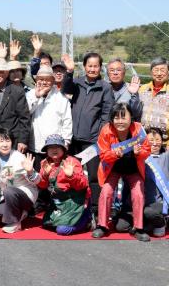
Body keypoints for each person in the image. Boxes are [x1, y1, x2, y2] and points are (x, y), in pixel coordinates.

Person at [61, 52, 114, 220]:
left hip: (92, 141)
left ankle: (97, 211)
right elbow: (65, 89)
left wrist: (99, 137)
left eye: (96, 66)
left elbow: (106, 115)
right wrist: (69, 72)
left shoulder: (105, 87)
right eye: (89, 66)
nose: (92, 69)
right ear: (84, 66)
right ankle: (71, 206)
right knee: (71, 174)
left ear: (100, 68)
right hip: (73, 139)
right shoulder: (77, 83)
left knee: (94, 177)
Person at [92, 103, 151, 242]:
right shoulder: (106, 130)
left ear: (131, 118)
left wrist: (139, 153)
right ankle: (102, 225)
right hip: (113, 167)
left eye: (123, 117)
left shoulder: (138, 129)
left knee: (138, 193)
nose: (120, 121)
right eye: (116, 117)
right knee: (106, 192)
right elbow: (103, 155)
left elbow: (147, 150)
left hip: (133, 167)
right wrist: (114, 154)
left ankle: (138, 228)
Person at [138, 56, 169, 232]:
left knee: (166, 179)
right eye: (155, 70)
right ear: (151, 72)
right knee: (145, 178)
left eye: (162, 70)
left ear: (168, 72)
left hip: (163, 142)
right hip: (145, 142)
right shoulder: (143, 89)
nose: (158, 73)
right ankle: (146, 213)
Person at [113, 128, 169, 237]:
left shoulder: (166, 157)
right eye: (151, 140)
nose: (155, 143)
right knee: (121, 226)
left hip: (156, 204)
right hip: (138, 203)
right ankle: (146, 225)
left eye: (158, 140)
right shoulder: (138, 157)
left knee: (149, 213)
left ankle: (160, 223)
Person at [26, 65, 73, 211]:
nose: (44, 82)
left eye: (47, 79)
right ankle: (37, 203)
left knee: (54, 176)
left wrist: (66, 142)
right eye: (41, 79)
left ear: (53, 81)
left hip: (54, 146)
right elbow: (24, 113)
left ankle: (54, 204)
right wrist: (37, 96)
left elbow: (67, 122)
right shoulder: (30, 95)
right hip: (34, 143)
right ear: (36, 80)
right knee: (36, 176)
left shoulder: (61, 99)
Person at [36, 134, 92, 236]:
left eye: (57, 146)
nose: (54, 150)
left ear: (63, 149)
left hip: (75, 201)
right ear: (46, 150)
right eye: (50, 147)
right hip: (59, 202)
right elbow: (43, 185)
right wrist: (44, 175)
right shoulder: (45, 162)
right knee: (46, 224)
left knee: (62, 230)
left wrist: (71, 176)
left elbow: (83, 185)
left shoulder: (72, 162)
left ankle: (87, 219)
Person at [0, 130, 39, 233]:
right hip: (8, 195)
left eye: (8, 140)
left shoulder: (19, 157)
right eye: (1, 141)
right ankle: (22, 213)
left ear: (12, 142)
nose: (5, 144)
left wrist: (30, 171)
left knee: (9, 191)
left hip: (25, 194)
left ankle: (15, 223)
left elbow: (37, 181)